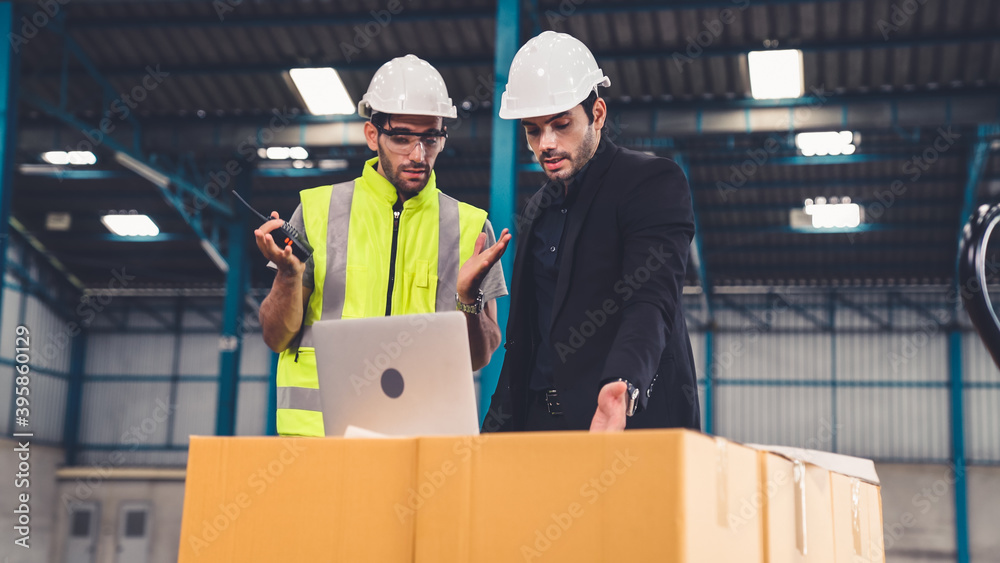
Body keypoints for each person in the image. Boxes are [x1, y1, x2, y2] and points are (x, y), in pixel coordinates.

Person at [256, 54, 511, 437]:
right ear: (373, 135)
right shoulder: (316, 211)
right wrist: (289, 279)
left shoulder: (472, 228)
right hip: (318, 441)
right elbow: (276, 337)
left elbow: (479, 357)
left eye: (431, 138)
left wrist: (468, 299)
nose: (418, 155)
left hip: (422, 440)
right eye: (402, 138)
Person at [484, 31, 700, 433]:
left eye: (560, 124)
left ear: (597, 114)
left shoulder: (651, 183)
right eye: (532, 130)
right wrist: (495, 430)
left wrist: (623, 384)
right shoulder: (536, 209)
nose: (546, 144)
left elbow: (650, 301)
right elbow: (527, 338)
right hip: (539, 426)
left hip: (618, 421)